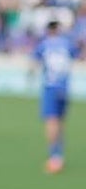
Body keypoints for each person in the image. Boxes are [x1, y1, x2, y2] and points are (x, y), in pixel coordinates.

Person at [33, 19, 79, 173]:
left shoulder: (44, 45)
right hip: (64, 88)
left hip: (50, 87)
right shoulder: (67, 44)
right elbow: (76, 55)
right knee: (61, 121)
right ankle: (59, 155)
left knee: (51, 121)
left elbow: (34, 62)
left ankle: (54, 157)